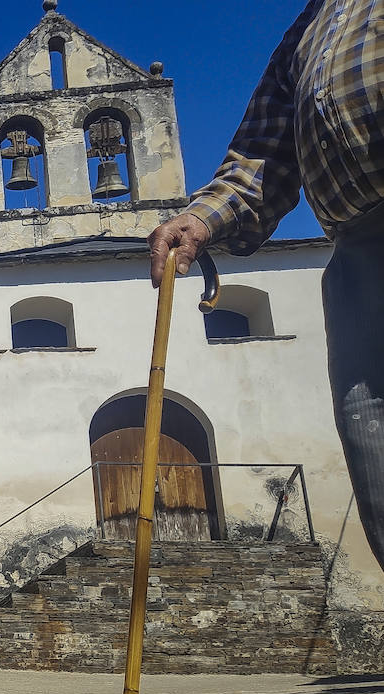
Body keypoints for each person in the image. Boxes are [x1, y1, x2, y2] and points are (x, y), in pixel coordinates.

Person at [146, 0, 384, 571]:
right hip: (358, 252)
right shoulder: (309, 28)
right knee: (374, 448)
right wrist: (202, 218)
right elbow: (263, 151)